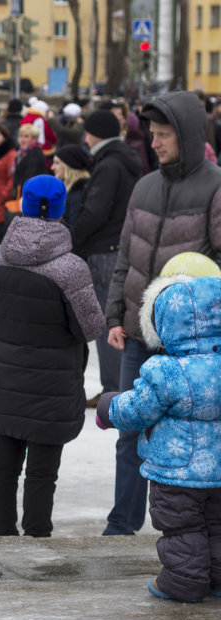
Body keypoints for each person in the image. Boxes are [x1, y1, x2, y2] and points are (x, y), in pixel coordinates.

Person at [102, 92, 221, 536]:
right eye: (151, 134)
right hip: (138, 335)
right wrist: (117, 314)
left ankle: (199, 532)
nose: (154, 142)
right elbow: (126, 259)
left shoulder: (215, 186)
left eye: (164, 134)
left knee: (200, 437)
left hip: (193, 343)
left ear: (187, 137)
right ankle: (121, 525)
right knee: (130, 432)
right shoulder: (144, 185)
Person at [0, 176, 104, 537]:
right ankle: (37, 535)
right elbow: (89, 329)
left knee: (5, 468)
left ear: (23, 204)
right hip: (54, 384)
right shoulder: (71, 269)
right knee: (43, 472)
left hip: (7, 379)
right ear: (61, 209)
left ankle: (1, 532)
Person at [96, 275, 221, 602]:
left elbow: (138, 410)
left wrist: (108, 406)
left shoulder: (167, 371)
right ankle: (217, 579)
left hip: (177, 471)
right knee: (217, 526)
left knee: (184, 528)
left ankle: (183, 582)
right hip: (219, 471)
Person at [70, 109, 141, 407]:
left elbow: (96, 212)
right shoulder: (122, 159)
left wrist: (71, 239)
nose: (85, 138)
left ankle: (114, 389)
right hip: (118, 248)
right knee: (114, 321)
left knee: (106, 324)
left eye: (87, 132)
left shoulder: (109, 165)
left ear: (96, 133)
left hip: (102, 251)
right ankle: (118, 386)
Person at [51, 145, 91, 227]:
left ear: (69, 165)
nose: (52, 167)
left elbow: (73, 226)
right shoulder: (70, 188)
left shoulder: (78, 192)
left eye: (57, 163)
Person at [11, 124, 48, 199]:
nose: (22, 139)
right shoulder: (21, 152)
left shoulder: (35, 153)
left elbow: (30, 175)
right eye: (21, 136)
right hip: (22, 191)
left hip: (30, 193)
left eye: (26, 136)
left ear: (34, 138)